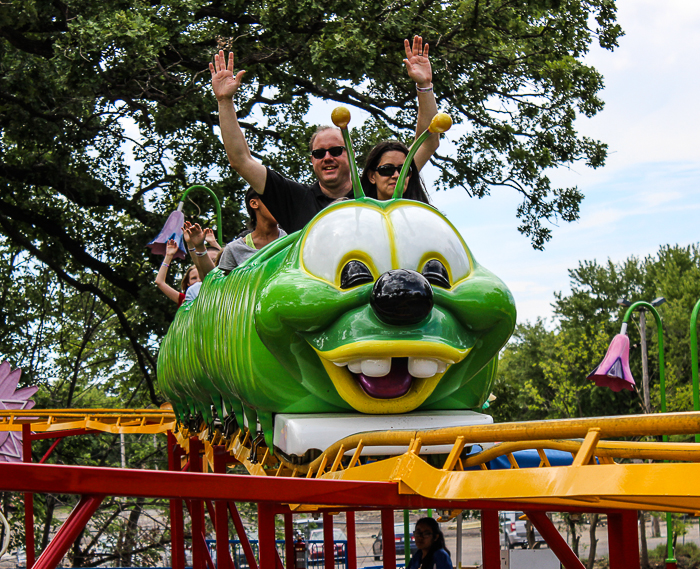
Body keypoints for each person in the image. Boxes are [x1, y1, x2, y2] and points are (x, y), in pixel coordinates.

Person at [209, 35, 439, 234]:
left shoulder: (376, 186)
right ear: (312, 160)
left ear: (350, 153)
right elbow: (241, 160)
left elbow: (426, 144)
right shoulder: (296, 199)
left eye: (336, 151)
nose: (327, 157)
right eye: (319, 153)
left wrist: (424, 85)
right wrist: (224, 101)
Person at [360, 140, 431, 203]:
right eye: (387, 169)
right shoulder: (354, 212)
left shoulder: (424, 214)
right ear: (372, 176)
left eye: (403, 170)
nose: (397, 175)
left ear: (410, 175)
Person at [154, 239, 201, 307]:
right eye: (194, 278)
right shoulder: (185, 299)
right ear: (188, 283)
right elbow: (159, 282)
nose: (198, 280)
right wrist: (169, 255)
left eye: (201, 277)